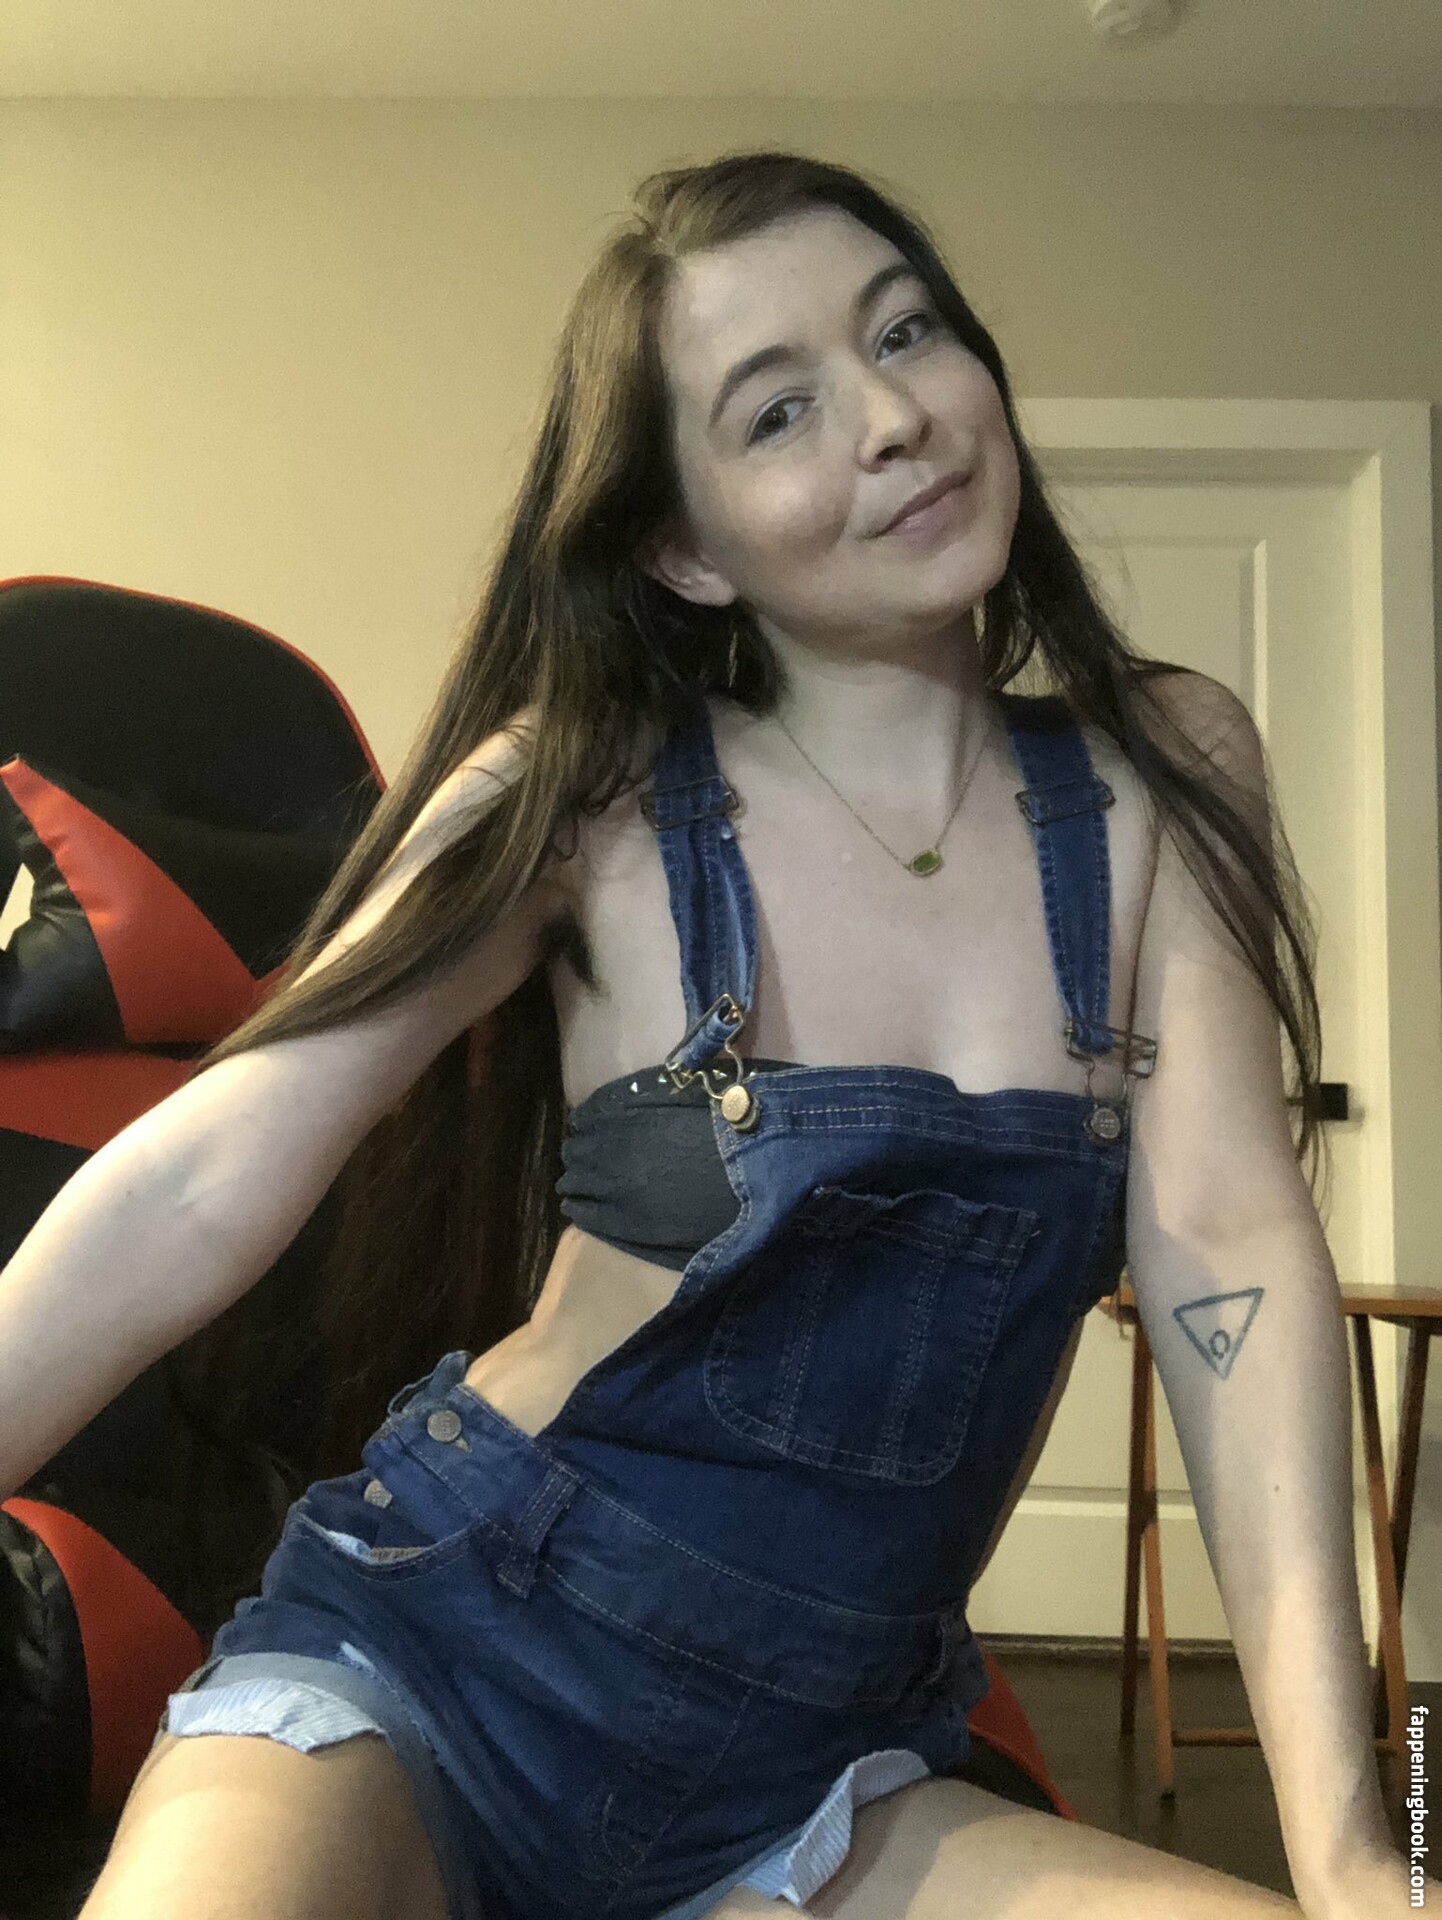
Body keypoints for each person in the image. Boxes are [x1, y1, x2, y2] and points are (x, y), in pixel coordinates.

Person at [2, 149, 1428, 1920]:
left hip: (826, 1771)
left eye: (903, 331)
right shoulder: (582, 789)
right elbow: (205, 1172)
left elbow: (1228, 1256)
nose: (894, 419)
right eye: (777, 411)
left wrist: (1352, 1846)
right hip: (435, 1660)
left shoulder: (1161, 770)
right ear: (682, 547)